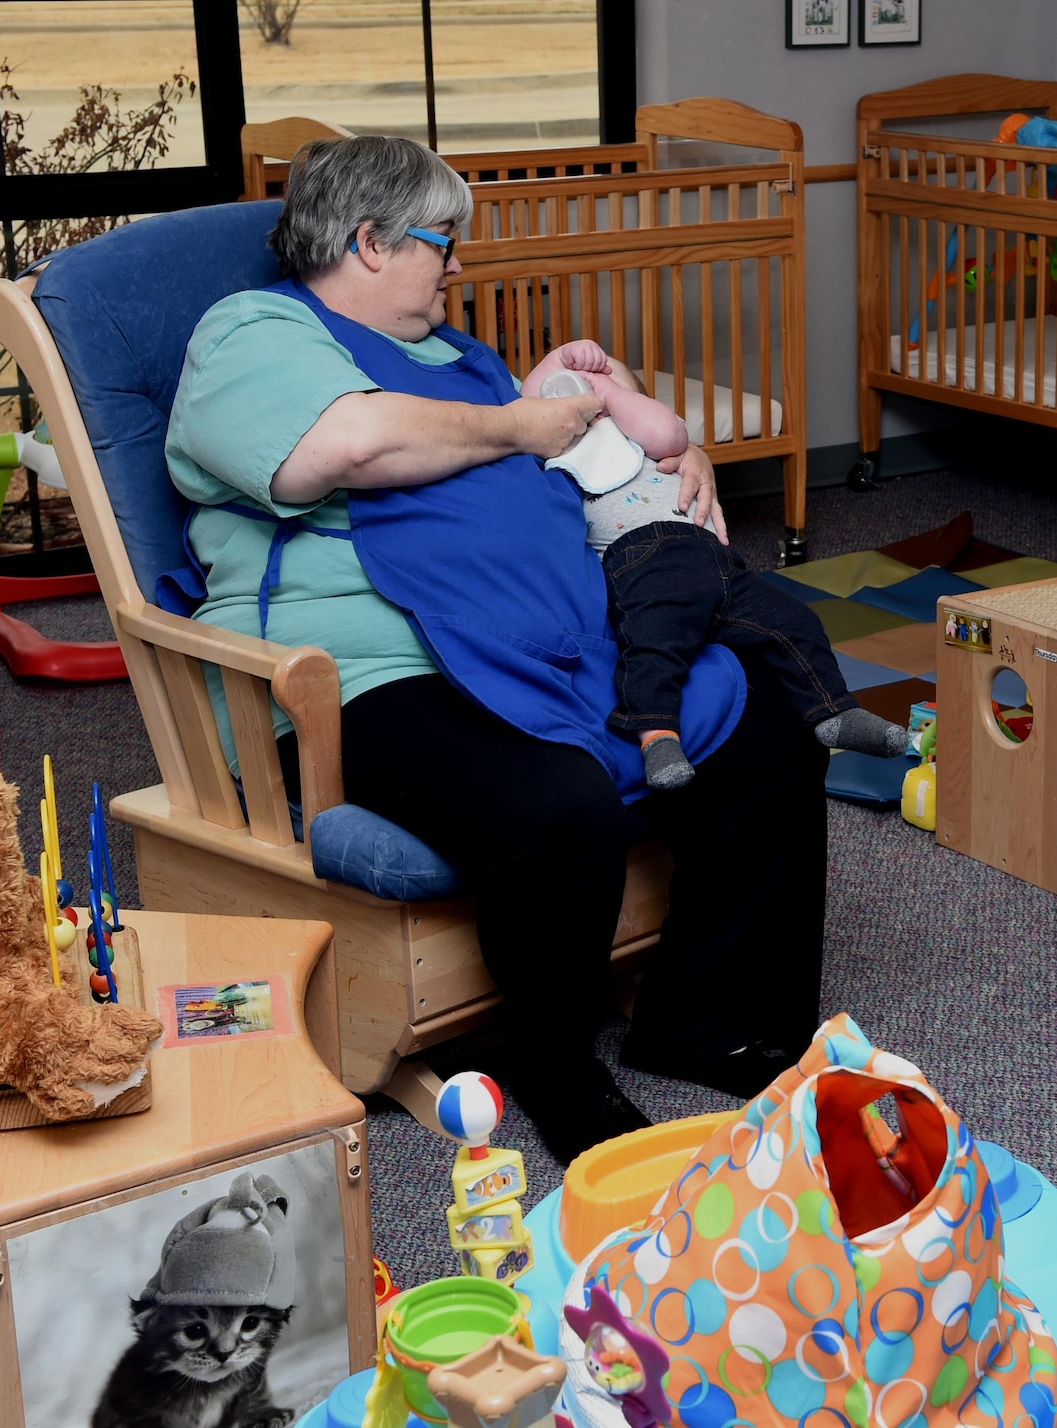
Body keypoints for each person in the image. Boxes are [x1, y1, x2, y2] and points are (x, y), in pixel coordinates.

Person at [164, 134, 826, 1160]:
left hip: (548, 637)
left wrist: (670, 448)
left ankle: (706, 1017)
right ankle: (554, 1061)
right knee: (552, 806)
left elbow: (571, 456)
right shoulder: (251, 331)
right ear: (371, 241)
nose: (459, 266)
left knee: (766, 714)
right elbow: (345, 448)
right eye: (444, 243)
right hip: (366, 669)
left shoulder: (463, 361)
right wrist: (522, 426)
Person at [524, 339, 908, 790]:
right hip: (644, 562)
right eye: (578, 387)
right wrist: (568, 359)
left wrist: (610, 393)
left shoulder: (651, 440)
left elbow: (666, 430)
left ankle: (834, 711)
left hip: (719, 562)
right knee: (653, 645)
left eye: (608, 382)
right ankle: (657, 736)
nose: (591, 393)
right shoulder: (559, 456)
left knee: (793, 620)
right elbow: (530, 400)